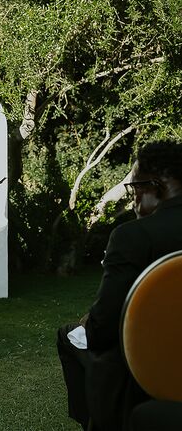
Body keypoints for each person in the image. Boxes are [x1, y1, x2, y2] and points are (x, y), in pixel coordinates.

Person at [56, 139, 182, 430]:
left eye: (135, 190)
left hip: (146, 378)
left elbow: (101, 331)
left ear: (155, 187)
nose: (134, 201)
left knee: (71, 336)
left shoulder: (133, 237)